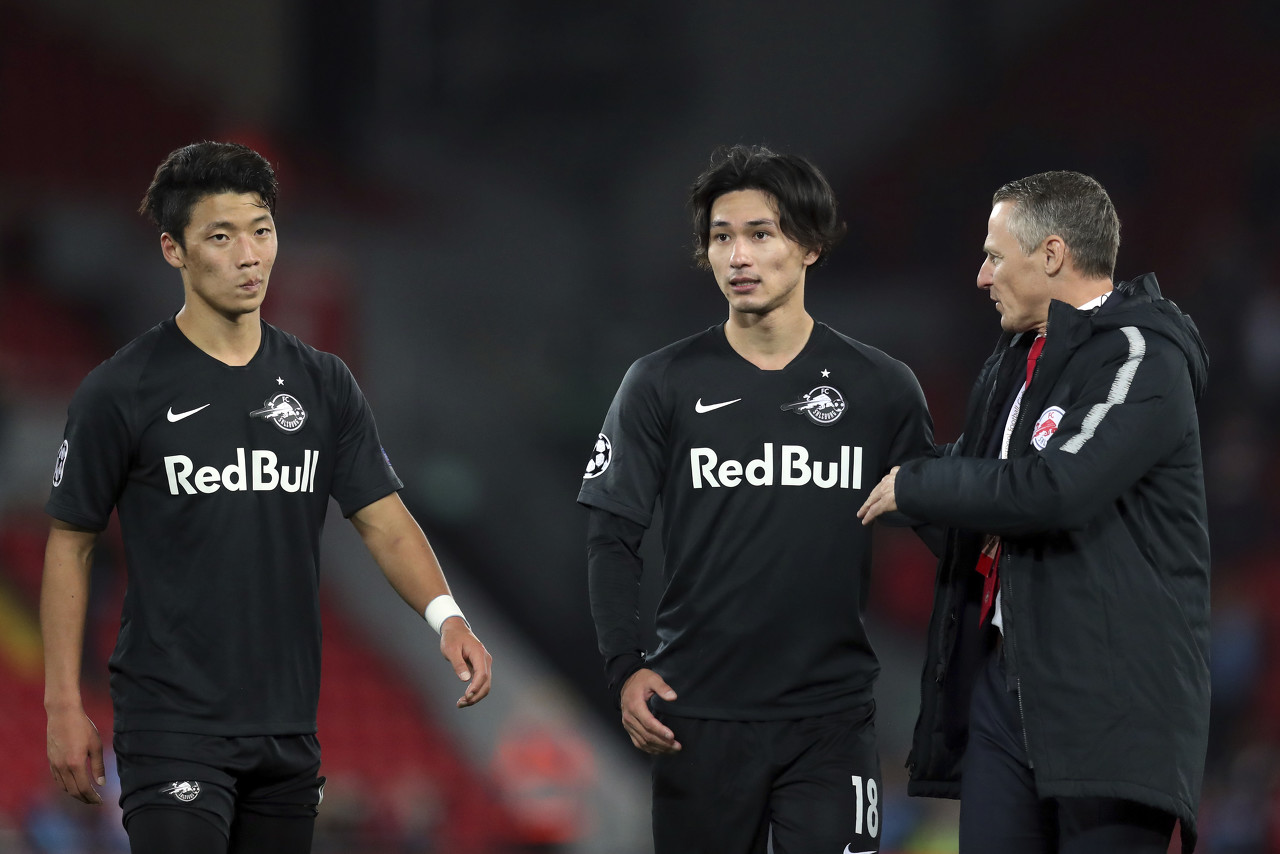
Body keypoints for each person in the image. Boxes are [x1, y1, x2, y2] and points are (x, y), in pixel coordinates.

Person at [41, 141, 493, 854]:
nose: (249, 255)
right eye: (221, 237)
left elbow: (382, 518)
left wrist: (447, 617)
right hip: (171, 725)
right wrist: (62, 704)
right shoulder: (120, 391)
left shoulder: (324, 383)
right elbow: (70, 544)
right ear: (173, 249)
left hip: (286, 730)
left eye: (262, 230)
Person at [578, 144, 935, 854]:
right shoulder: (660, 382)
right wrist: (624, 665)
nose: (737, 256)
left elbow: (942, 526)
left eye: (760, 233)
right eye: (721, 237)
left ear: (809, 245)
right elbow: (611, 534)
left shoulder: (881, 386)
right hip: (698, 715)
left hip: (832, 719)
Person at [857, 171, 1211, 853]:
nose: (981, 277)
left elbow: (1056, 488)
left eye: (994, 255)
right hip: (1006, 686)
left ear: (1051, 254)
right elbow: (972, 492)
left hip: (1112, 702)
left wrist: (918, 486)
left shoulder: (1141, 354)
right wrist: (845, 468)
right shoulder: (1017, 364)